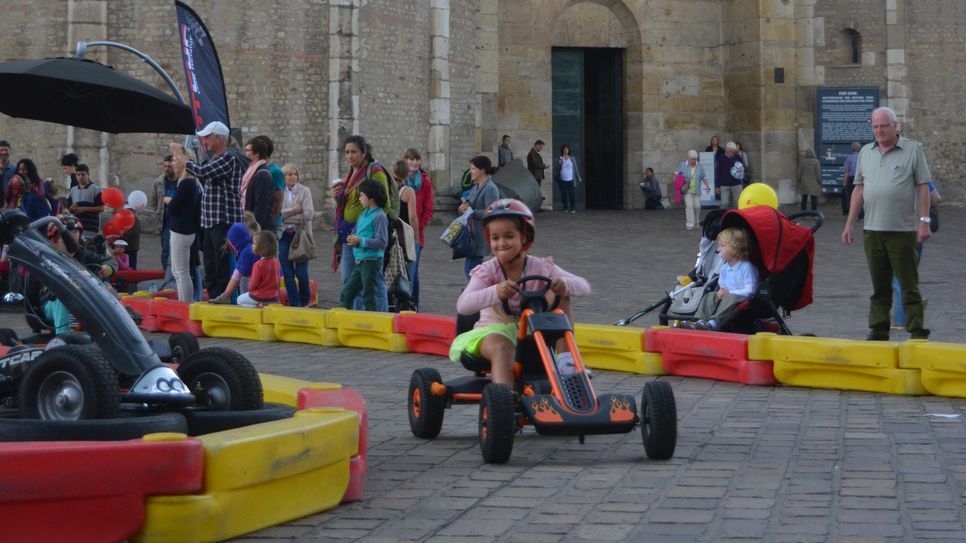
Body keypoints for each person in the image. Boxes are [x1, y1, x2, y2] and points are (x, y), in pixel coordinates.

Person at [450, 199, 591, 385]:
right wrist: (496, 291)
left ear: (524, 237)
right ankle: (505, 402)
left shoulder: (540, 266)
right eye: (495, 237)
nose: (501, 243)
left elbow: (584, 286)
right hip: (492, 332)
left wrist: (563, 284)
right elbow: (464, 305)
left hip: (533, 332)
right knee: (502, 349)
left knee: (562, 292)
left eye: (509, 236)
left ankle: (566, 360)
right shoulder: (488, 270)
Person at [841, 106, 932, 341]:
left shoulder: (912, 150)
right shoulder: (866, 153)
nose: (879, 130)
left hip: (903, 230)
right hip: (872, 230)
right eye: (875, 126)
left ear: (895, 126)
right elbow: (858, 189)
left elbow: (923, 187)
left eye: (884, 126)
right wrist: (850, 223)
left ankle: (917, 330)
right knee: (879, 286)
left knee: (908, 283)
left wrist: (924, 221)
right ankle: (878, 329)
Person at [174, 121, 245, 299]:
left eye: (207, 137)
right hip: (212, 221)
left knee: (220, 265)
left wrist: (185, 162)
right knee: (211, 263)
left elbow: (205, 172)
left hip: (223, 220)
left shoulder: (229, 157)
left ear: (219, 138)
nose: (204, 141)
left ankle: (222, 298)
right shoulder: (218, 158)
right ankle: (214, 297)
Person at [333, 135, 392, 312]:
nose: (349, 156)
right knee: (350, 282)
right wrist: (338, 197)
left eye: (354, 152)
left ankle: (380, 317)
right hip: (349, 235)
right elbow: (349, 204)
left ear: (364, 152)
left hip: (367, 239)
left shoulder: (374, 172)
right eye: (347, 152)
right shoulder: (351, 174)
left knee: (373, 284)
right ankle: (355, 318)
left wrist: (367, 226)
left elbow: (384, 203)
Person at [38, 215, 117, 334]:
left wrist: (108, 268)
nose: (72, 237)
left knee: (107, 287)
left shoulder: (84, 254)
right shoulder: (47, 258)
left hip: (81, 302)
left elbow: (110, 261)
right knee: (62, 294)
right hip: (52, 304)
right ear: (54, 239)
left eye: (75, 232)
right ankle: (63, 336)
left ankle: (111, 332)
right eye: (66, 234)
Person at [678, 227, 758, 331]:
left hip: (743, 299)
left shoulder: (746, 267)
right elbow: (722, 285)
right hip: (727, 297)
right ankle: (700, 320)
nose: (718, 249)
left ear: (735, 248)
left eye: (722, 246)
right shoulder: (725, 268)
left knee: (731, 297)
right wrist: (721, 292)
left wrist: (730, 292)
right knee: (710, 296)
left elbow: (751, 290)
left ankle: (714, 323)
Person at [892, 182, 941, 330]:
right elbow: (936, 198)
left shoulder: (897, 177)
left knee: (897, 275)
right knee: (909, 274)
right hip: (919, 230)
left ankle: (901, 320)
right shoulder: (923, 178)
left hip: (902, 228)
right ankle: (914, 304)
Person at [340, 179, 388, 311]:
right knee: (346, 293)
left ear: (371, 198)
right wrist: (352, 239)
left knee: (369, 295)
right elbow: (357, 232)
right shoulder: (362, 214)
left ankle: (372, 325)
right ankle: (346, 322)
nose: (359, 198)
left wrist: (360, 241)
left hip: (371, 261)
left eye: (362, 195)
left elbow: (382, 242)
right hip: (360, 261)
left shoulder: (379, 216)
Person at [458, 155, 501, 279]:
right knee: (470, 270)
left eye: (473, 168)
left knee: (471, 271)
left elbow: (492, 212)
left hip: (480, 237)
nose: (470, 171)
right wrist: (462, 208)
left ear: (482, 170)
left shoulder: (490, 188)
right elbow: (468, 204)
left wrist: (473, 212)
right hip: (471, 236)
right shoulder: (475, 187)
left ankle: (477, 295)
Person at [167, 149, 201, 302]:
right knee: (177, 271)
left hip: (182, 232)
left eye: (175, 160)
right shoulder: (188, 183)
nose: (173, 164)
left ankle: (185, 305)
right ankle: (184, 303)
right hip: (182, 230)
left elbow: (173, 207)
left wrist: (168, 200)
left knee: (182, 272)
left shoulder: (187, 183)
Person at [279, 163, 315, 307]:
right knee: (287, 273)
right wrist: (294, 211)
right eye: (289, 174)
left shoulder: (305, 191)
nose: (293, 177)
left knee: (301, 273)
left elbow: (309, 214)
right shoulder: (279, 191)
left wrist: (285, 215)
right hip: (283, 235)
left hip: (300, 236)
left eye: (295, 174)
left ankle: (305, 301)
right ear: (284, 177)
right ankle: (295, 304)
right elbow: (275, 215)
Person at [403, 148, 434, 309]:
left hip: (416, 233)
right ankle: (409, 301)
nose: (414, 163)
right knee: (407, 270)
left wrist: (418, 227)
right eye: (411, 159)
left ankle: (412, 303)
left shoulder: (425, 182)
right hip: (401, 231)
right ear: (405, 160)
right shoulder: (401, 180)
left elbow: (428, 209)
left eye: (416, 160)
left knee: (412, 271)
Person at [209, 220, 258, 304]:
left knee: (240, 299)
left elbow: (236, 276)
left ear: (235, 242)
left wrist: (225, 296)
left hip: (258, 294)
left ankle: (248, 306)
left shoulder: (246, 252)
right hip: (270, 292)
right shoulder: (254, 245)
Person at [242, 137, 276, 234]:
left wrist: (253, 230)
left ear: (257, 153)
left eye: (248, 150)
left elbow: (261, 207)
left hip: (261, 231)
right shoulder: (252, 172)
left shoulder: (262, 175)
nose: (245, 153)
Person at [237, 231, 281, 308]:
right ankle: (262, 306)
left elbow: (252, 285)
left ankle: (259, 307)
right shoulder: (276, 262)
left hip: (259, 295)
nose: (252, 246)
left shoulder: (258, 264)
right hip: (274, 295)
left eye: (254, 243)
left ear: (261, 246)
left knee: (239, 300)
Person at [150, 154, 179, 271]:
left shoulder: (182, 181)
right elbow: (153, 201)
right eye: (165, 166)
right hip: (166, 222)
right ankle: (166, 275)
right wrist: (158, 213)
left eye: (169, 166)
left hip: (179, 221)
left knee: (179, 251)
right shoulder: (158, 182)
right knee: (166, 250)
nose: (166, 169)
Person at [253, 135, 285, 233]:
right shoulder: (256, 169)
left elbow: (278, 201)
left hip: (269, 224)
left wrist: (272, 223)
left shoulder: (275, 171)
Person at [66, 164, 103, 239]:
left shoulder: (96, 189)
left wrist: (85, 209)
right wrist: (71, 208)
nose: (80, 177)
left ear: (88, 175)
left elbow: (101, 208)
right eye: (78, 175)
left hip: (91, 229)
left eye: (83, 174)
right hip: (76, 227)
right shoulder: (73, 190)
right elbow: (69, 209)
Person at [679, 150, 709, 230]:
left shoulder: (700, 166)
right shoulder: (682, 165)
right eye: (692, 159)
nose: (694, 161)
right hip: (687, 190)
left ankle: (696, 221)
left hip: (697, 190)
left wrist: (707, 185)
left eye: (695, 159)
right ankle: (689, 224)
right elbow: (676, 175)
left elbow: (704, 177)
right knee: (689, 206)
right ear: (688, 158)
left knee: (697, 207)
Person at [714, 142, 745, 209]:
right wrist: (717, 186)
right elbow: (717, 173)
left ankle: (736, 218)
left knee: (737, 203)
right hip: (724, 185)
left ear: (734, 151)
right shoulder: (721, 158)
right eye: (729, 151)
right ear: (726, 149)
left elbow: (743, 165)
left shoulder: (737, 157)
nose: (730, 153)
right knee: (724, 203)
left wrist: (742, 168)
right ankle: (722, 217)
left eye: (732, 151)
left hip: (736, 184)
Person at [556, 144, 582, 213]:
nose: (565, 150)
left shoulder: (572, 158)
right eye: (564, 149)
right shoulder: (560, 158)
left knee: (571, 194)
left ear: (569, 150)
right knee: (564, 194)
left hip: (571, 179)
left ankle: (573, 208)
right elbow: (557, 169)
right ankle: (565, 208)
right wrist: (560, 163)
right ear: (562, 150)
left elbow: (575, 168)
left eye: (567, 149)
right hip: (562, 179)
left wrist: (578, 177)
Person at [842, 141, 861, 217]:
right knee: (860, 197)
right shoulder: (862, 157)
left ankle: (851, 214)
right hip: (860, 178)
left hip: (851, 178)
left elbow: (846, 171)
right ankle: (860, 215)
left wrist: (844, 182)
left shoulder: (849, 158)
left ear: (852, 149)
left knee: (850, 197)